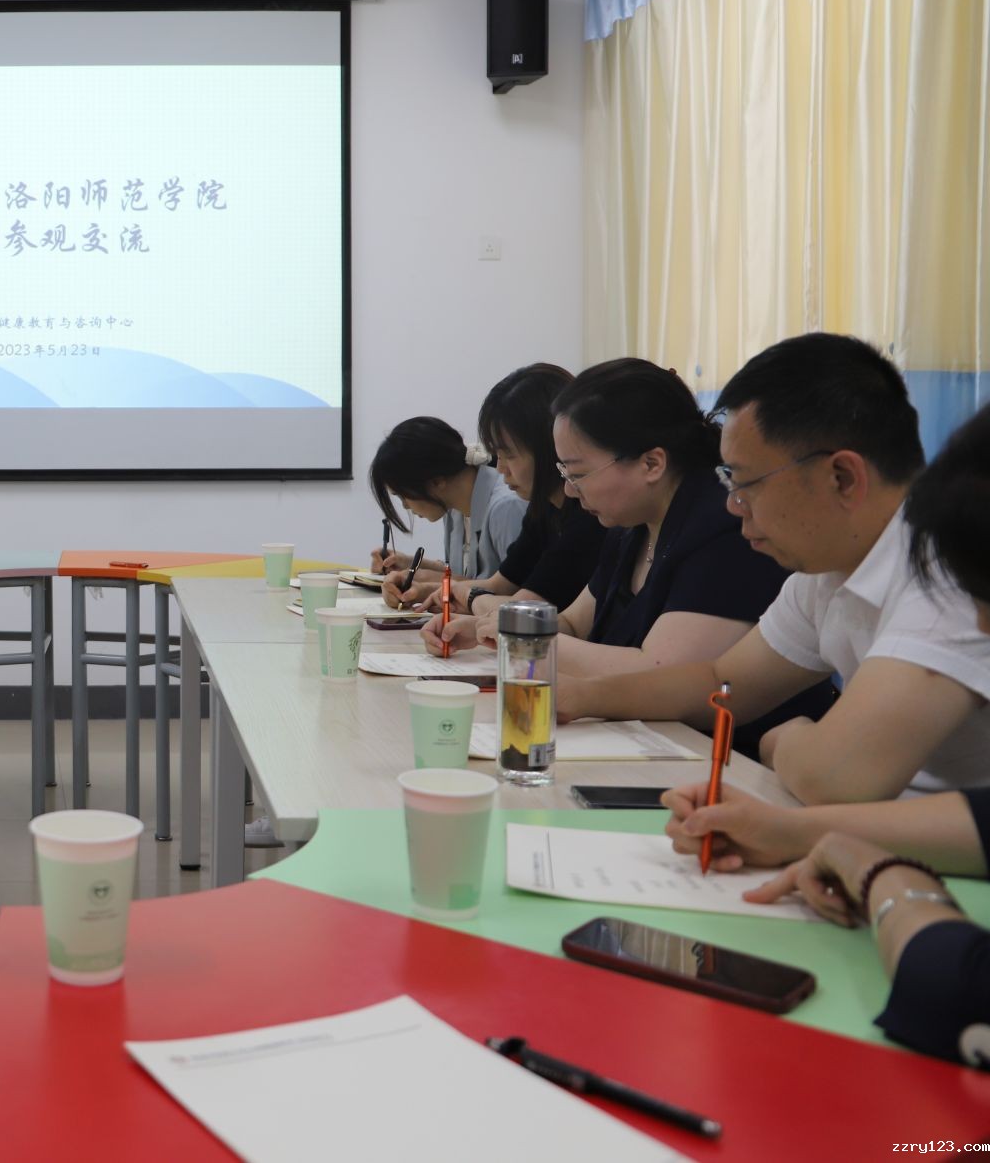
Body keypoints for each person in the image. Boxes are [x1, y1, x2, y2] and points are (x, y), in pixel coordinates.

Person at [655, 396, 990, 1061]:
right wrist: (795, 834)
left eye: (744, 482)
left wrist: (879, 870)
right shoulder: (836, 567)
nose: (734, 506)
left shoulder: (939, 577)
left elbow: (955, 990)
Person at [568, 336, 989, 799]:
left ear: (842, 477)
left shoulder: (948, 574)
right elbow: (721, 682)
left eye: (745, 483)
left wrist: (782, 739)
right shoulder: (826, 571)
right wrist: (580, 697)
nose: (733, 506)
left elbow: (833, 778)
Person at [424, 358, 829, 753]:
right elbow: (573, 623)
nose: (569, 491)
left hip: (717, 758)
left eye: (577, 474)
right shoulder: (630, 526)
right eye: (564, 474)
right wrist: (492, 628)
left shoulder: (725, 527)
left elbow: (665, 674)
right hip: (648, 743)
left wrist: (526, 640)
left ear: (652, 463)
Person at [455, 364, 605, 620]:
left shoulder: (591, 516)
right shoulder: (544, 507)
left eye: (509, 455)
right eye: (497, 455)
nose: (500, 469)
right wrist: (444, 591)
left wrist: (469, 597)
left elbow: (524, 611)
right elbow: (500, 585)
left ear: (551, 446)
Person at [366, 416, 526, 606]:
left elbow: (517, 593)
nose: (406, 506)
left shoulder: (506, 507)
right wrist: (411, 564)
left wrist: (427, 586)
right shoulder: (453, 505)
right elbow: (465, 575)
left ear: (436, 481)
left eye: (403, 496)